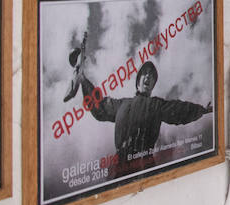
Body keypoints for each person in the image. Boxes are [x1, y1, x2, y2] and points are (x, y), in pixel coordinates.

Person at [73, 52, 212, 168]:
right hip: (120, 168)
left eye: (151, 75)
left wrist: (201, 110)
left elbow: (179, 109)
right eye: (144, 73)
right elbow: (100, 107)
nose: (148, 76)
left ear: (153, 84)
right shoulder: (122, 104)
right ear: (138, 80)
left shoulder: (156, 104)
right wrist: (83, 81)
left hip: (144, 166)